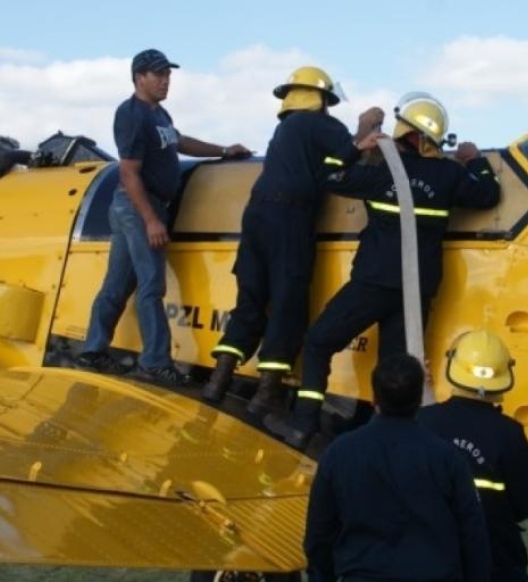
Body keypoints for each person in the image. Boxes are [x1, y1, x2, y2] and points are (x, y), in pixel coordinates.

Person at [263, 91, 501, 448]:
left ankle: (302, 426)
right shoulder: (449, 175)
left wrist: (358, 146)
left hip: (373, 281)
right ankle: (383, 445)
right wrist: (475, 159)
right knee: (396, 371)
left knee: (318, 342)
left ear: (403, 132)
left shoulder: (381, 171)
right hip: (417, 289)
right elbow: (488, 195)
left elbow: (329, 175)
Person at [200, 66, 384, 412]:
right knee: (288, 300)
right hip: (291, 217)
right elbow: (348, 155)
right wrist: (367, 125)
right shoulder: (322, 125)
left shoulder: (284, 130)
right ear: (322, 99)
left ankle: (217, 380)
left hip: (256, 215)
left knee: (251, 299)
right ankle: (266, 394)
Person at [76, 49, 251, 387]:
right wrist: (152, 220)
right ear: (139, 77)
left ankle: (92, 351)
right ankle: (155, 361)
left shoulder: (160, 115)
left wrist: (224, 150)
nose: (166, 80)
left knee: (117, 284)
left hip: (141, 207)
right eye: (158, 74)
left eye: (168, 74)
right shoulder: (131, 115)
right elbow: (128, 173)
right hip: (139, 205)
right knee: (151, 285)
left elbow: (179, 142)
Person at [304, 353, 491, 582]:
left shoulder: (338, 453)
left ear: (374, 398)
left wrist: (322, 576)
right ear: (420, 397)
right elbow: (473, 536)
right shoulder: (448, 458)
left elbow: (319, 534)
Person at [417, 329, 528, 582]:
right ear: (506, 372)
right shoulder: (508, 432)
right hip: (495, 560)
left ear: (452, 366)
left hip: (431, 558)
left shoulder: (423, 421)